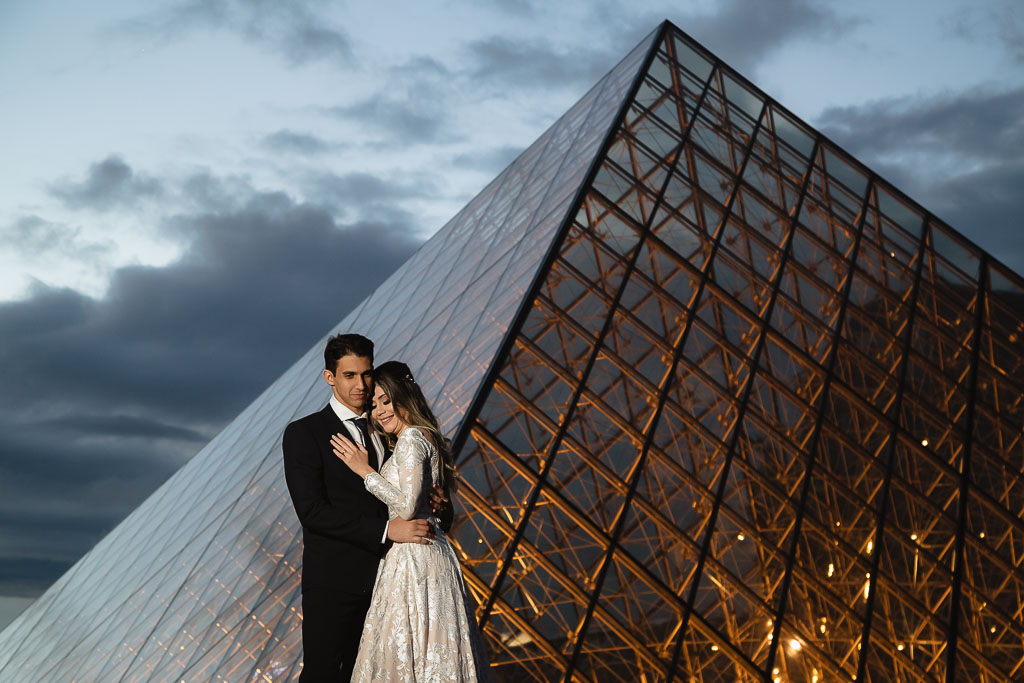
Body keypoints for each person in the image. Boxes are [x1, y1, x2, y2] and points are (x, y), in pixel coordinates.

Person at [282, 334, 449, 682]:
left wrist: (440, 507)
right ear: (330, 378)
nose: (361, 385)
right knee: (324, 676)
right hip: (334, 584)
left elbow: (418, 503)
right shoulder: (305, 433)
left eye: (367, 374)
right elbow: (312, 512)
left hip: (391, 582)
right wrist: (389, 531)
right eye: (349, 375)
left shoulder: (393, 433)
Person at [332, 361, 492, 682]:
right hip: (428, 553)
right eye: (373, 404)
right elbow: (431, 505)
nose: (378, 411)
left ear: (404, 396)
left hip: (414, 559)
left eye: (385, 400)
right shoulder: (421, 438)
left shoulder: (410, 441)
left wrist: (365, 471)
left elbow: (406, 508)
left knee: (408, 651)